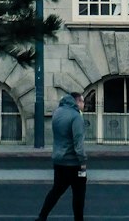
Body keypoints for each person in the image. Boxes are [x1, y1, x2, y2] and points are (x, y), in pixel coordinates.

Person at [36, 91, 87, 221]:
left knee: (56, 190)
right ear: (77, 102)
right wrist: (83, 161)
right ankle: (78, 219)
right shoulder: (76, 117)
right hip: (74, 162)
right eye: (82, 101)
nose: (84, 104)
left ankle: (42, 216)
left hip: (59, 160)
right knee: (79, 193)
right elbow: (78, 142)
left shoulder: (57, 112)